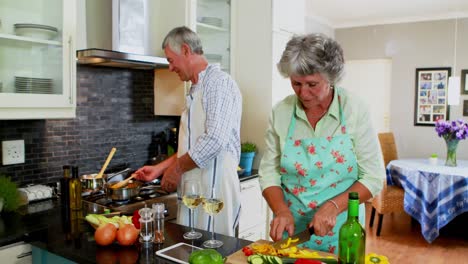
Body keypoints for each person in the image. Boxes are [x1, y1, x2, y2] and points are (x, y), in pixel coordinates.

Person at [259, 33, 385, 253]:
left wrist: (333, 206)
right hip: (292, 231)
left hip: (342, 230)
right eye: (296, 83)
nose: (303, 93)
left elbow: (373, 177)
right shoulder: (281, 112)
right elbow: (269, 172)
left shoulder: (355, 109)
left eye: (312, 84)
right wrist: (281, 211)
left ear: (331, 78)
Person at [135, 26, 242, 236]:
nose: (171, 68)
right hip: (196, 189)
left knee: (214, 252)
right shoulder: (196, 88)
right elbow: (193, 145)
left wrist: (176, 170)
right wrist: (160, 168)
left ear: (185, 50)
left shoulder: (218, 83)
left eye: (170, 60)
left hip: (215, 188)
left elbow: (214, 140)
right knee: (190, 251)